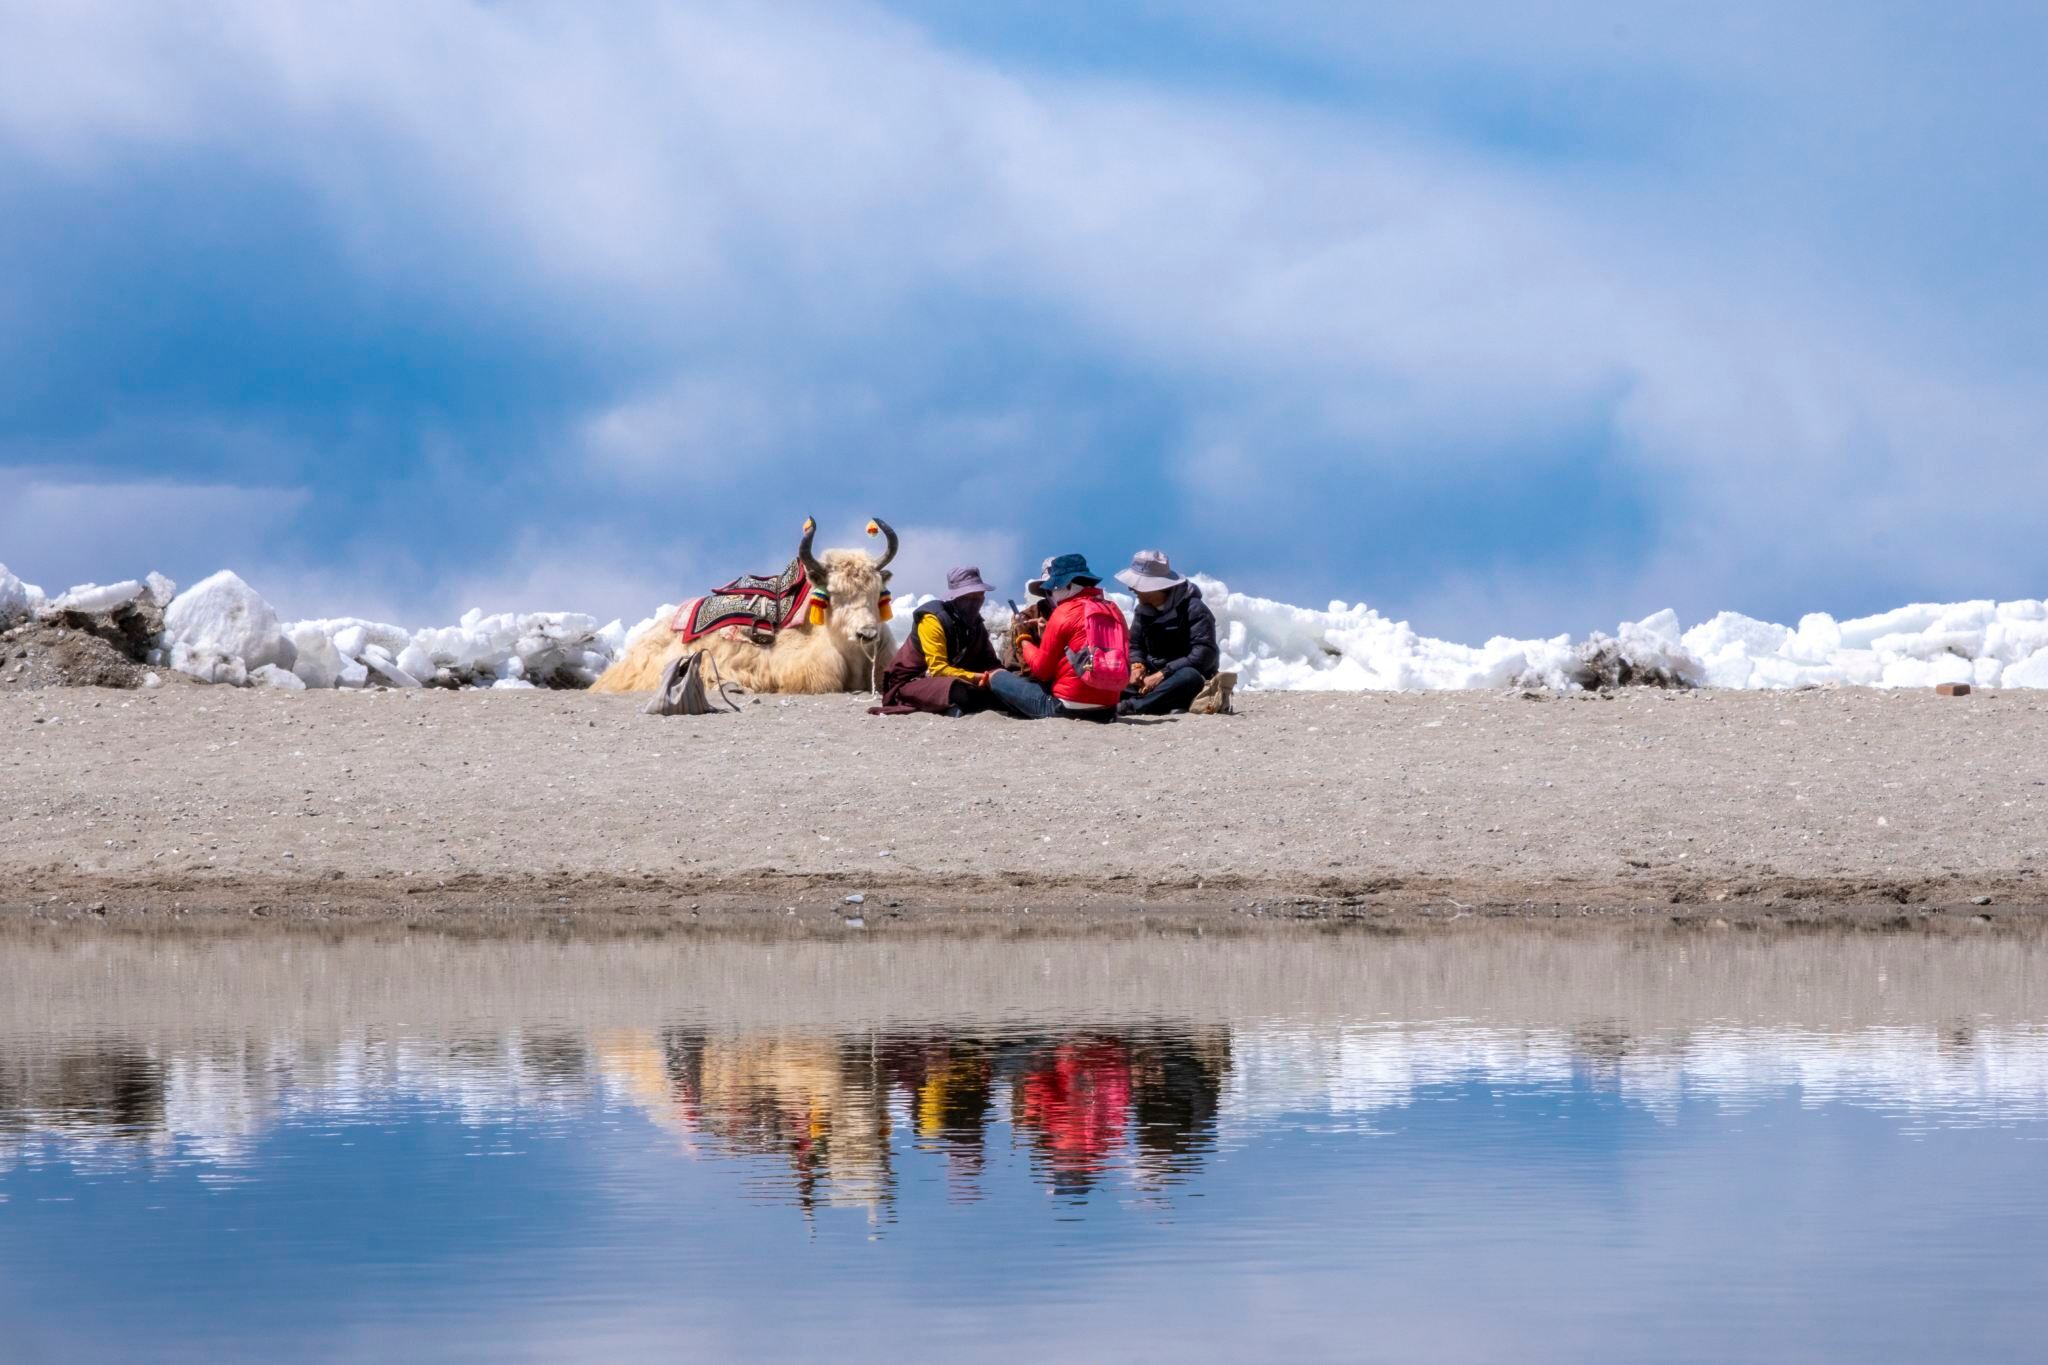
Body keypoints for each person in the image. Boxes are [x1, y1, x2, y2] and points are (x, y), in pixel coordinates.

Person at [988, 553, 1129, 721]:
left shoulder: (1063, 612)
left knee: (997, 677)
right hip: (1108, 709)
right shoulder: (1114, 610)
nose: (1052, 593)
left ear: (1068, 586)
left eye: (1054, 588)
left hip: (1068, 708)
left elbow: (1042, 671)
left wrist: (1024, 638)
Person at [877, 566, 1005, 715]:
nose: (975, 601)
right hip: (911, 683)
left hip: (960, 679)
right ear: (956, 598)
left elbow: (990, 662)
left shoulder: (975, 625)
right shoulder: (932, 619)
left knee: (1002, 685)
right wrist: (978, 678)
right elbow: (938, 670)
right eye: (969, 597)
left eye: (980, 595)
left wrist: (999, 675)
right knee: (955, 688)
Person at [1114, 549, 1217, 716]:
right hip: (1149, 676)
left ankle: (1133, 706)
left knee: (1189, 678)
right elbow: (1135, 645)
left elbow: (1203, 655)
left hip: (1179, 676)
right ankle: (1145, 701)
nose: (1132, 589)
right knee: (1115, 674)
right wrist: (1137, 665)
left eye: (1137, 586)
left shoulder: (1194, 609)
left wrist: (1163, 674)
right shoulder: (1143, 611)